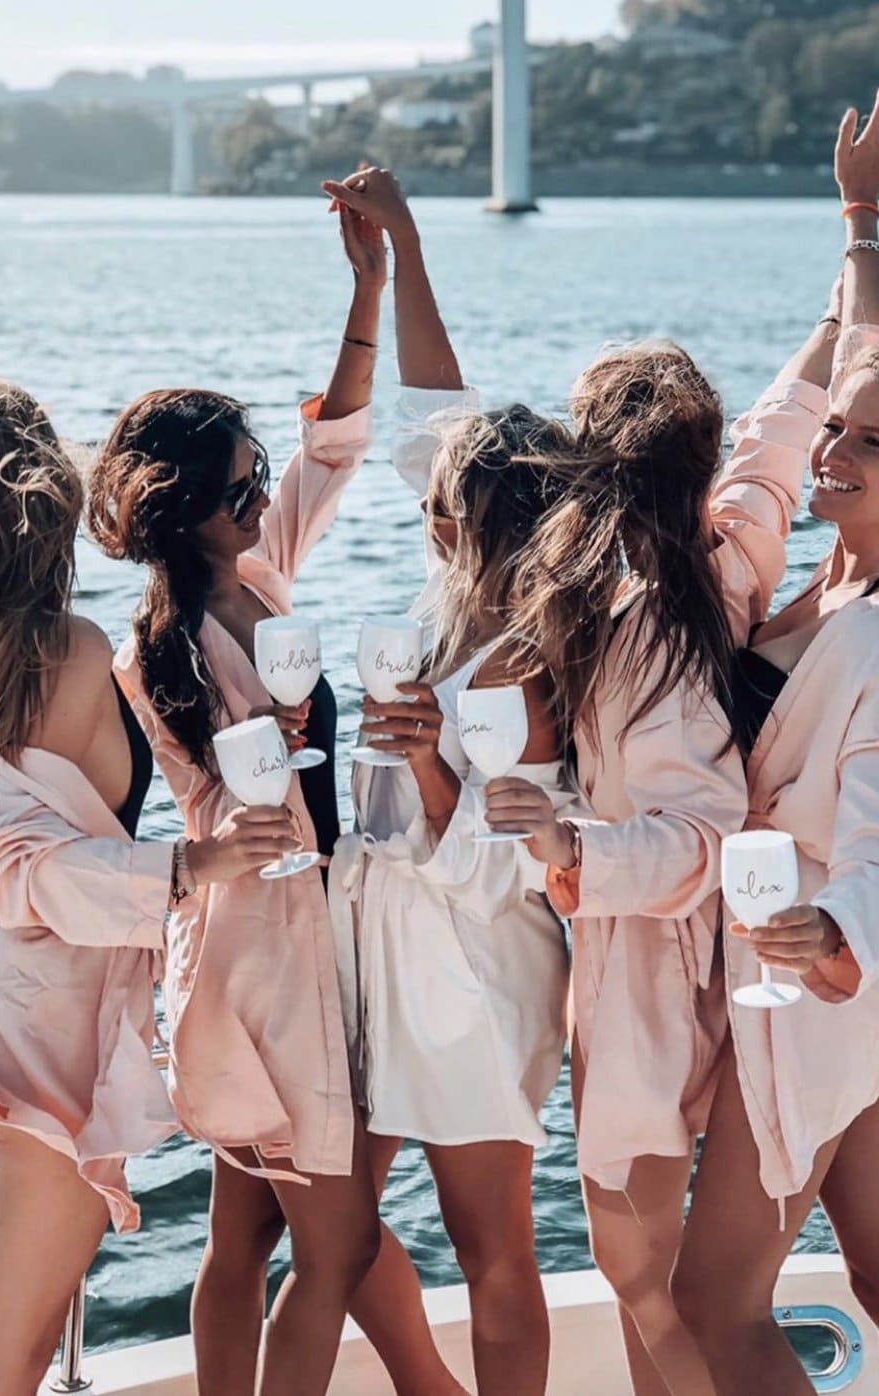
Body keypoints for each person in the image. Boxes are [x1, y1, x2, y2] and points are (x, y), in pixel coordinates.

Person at [667, 88, 879, 1396]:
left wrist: (831, 929)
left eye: (865, 448)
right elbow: (870, 348)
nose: (830, 455)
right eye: (830, 432)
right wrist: (859, 216)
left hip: (824, 971)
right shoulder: (834, 575)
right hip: (849, 979)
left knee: (710, 1301)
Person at [90, 203, 463, 1396]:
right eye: (239, 484)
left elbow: (338, 446)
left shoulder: (257, 571)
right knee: (334, 1233)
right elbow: (234, 815)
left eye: (258, 478)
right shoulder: (162, 650)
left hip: (298, 939)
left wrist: (369, 285)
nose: (261, 495)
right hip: (265, 948)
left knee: (249, 1231)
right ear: (179, 502)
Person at [479, 247, 844, 1393]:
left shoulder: (640, 621)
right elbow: (785, 435)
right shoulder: (725, 553)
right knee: (657, 1273)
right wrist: (853, 248)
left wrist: (567, 843)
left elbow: (700, 826)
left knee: (640, 1272)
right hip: (713, 963)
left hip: (649, 965)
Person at [0, 376, 294, 1396]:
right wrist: (186, 864)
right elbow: (34, 867)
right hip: (52, 1013)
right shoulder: (68, 650)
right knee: (16, 1349)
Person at [323, 167, 621, 1396]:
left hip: (474, 965)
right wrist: (399, 250)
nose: (425, 508)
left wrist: (425, 779)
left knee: (491, 1239)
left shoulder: (523, 651)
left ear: (485, 523)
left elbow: (512, 843)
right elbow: (440, 406)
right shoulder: (461, 598)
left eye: (445, 504)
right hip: (387, 938)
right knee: (331, 1222)